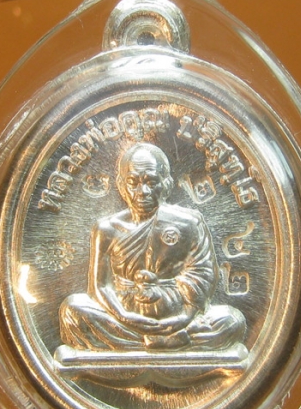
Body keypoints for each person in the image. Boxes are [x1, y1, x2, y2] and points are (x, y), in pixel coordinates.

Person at [59, 143, 246, 351]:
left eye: (151, 181)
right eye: (133, 183)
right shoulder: (106, 229)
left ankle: (150, 340)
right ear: (121, 184)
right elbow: (100, 287)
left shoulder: (188, 223)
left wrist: (183, 318)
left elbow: (203, 275)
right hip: (122, 315)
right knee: (72, 310)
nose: (143, 192)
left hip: (176, 312)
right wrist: (125, 316)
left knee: (231, 321)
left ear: (166, 184)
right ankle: (163, 340)